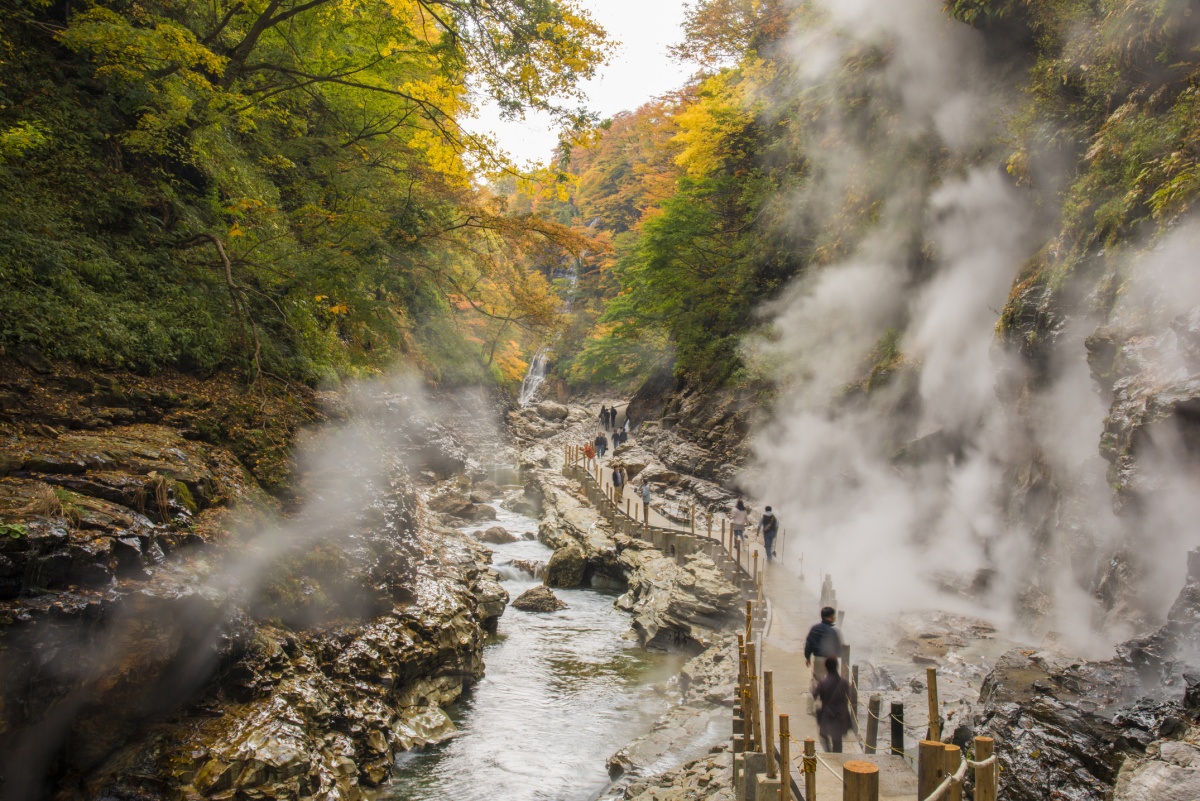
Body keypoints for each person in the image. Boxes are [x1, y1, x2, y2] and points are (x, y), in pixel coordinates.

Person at [811, 655, 852, 753]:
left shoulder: (823, 681)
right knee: (837, 740)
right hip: (841, 714)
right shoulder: (844, 682)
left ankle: (828, 753)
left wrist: (814, 685)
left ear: (826, 667)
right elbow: (849, 697)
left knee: (823, 735)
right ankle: (837, 757)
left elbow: (815, 694)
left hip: (827, 714)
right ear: (837, 666)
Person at [805, 607, 843, 682]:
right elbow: (838, 647)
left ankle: (818, 693)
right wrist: (838, 655)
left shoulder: (815, 628)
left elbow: (809, 643)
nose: (834, 617)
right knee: (831, 680)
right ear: (829, 618)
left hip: (818, 659)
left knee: (818, 680)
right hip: (830, 660)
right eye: (833, 616)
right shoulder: (833, 631)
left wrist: (807, 657)